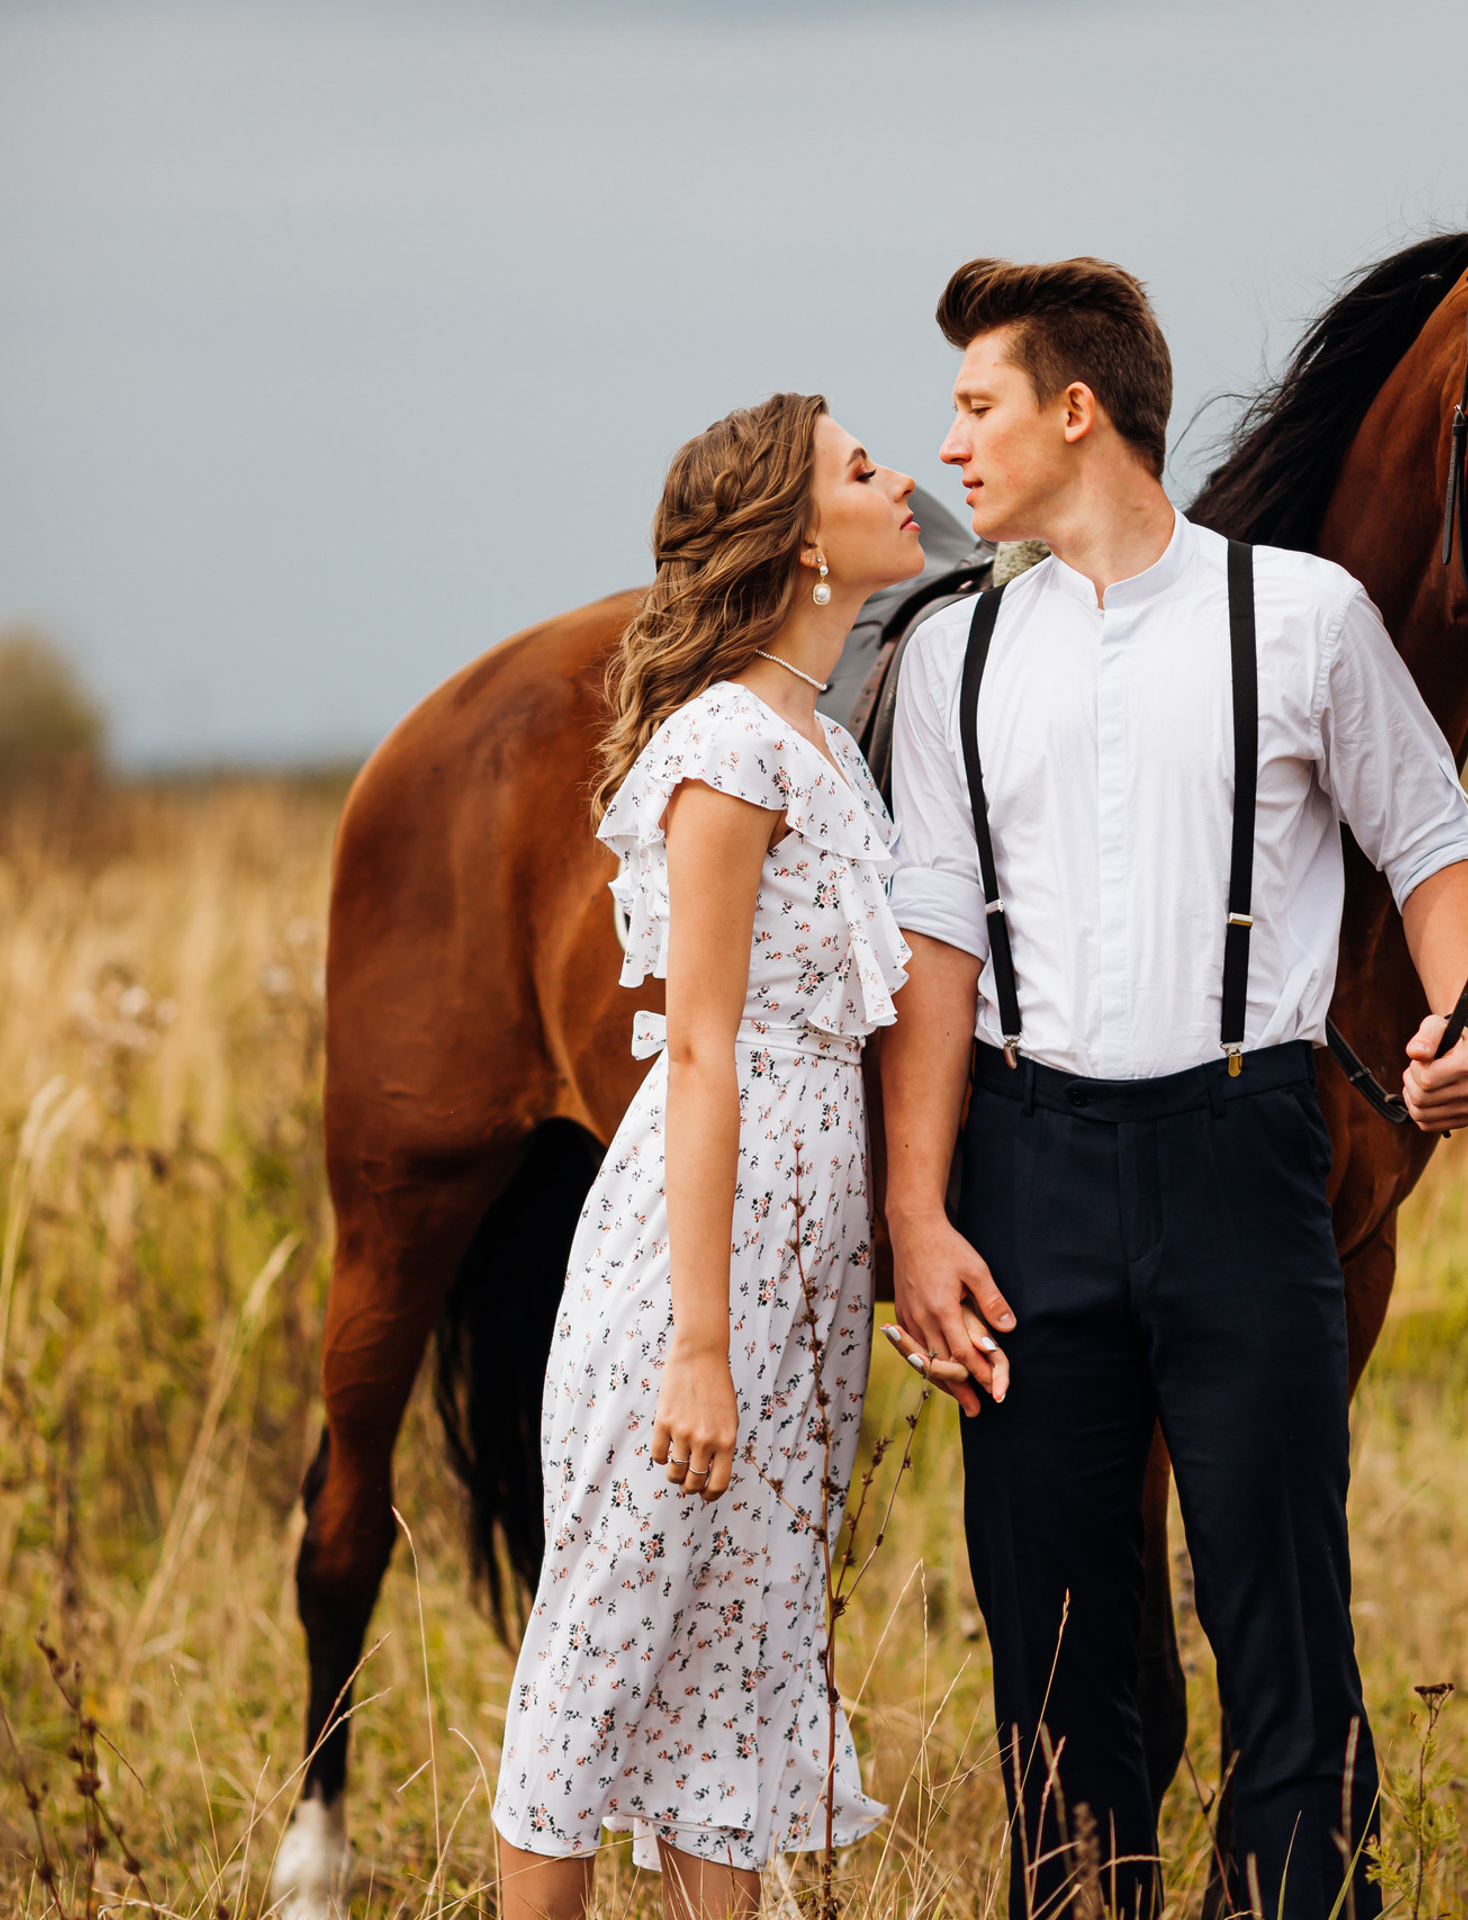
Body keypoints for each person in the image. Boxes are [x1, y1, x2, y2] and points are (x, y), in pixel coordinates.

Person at [874, 259, 1468, 1920]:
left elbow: (1435, 846)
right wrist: (918, 1211)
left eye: (979, 408)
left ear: (1078, 412)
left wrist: (1463, 1019)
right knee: (1053, 1649)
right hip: (1027, 1171)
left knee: (1283, 1628)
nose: (952, 447)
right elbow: (934, 946)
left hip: (1244, 1151)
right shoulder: (953, 655)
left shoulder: (1301, 618)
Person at [491, 393, 924, 1920]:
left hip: (800, 1281)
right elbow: (699, 1048)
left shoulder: (824, 748)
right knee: (594, 1665)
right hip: (694, 1277)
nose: (903, 476)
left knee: (737, 1681)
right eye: (862, 468)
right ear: (803, 542)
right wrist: (696, 1343)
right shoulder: (731, 750)